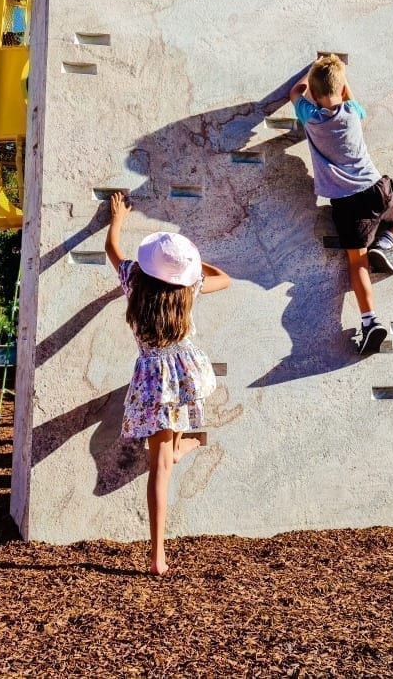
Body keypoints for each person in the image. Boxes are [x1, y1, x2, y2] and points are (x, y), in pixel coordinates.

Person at [105, 191, 230, 576]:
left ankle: (158, 555)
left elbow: (112, 248)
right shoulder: (189, 290)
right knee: (168, 452)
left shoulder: (133, 280)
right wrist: (192, 268)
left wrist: (118, 218)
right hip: (184, 371)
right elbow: (224, 279)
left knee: (159, 463)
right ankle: (183, 446)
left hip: (152, 377)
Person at [290, 54, 393, 355]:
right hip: (377, 190)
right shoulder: (352, 112)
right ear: (341, 89)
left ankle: (370, 321)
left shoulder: (310, 117)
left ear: (314, 92)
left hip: (347, 204)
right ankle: (389, 240)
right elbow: (347, 94)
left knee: (357, 262)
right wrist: (336, 70)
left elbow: (295, 93)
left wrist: (308, 75)